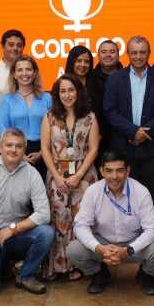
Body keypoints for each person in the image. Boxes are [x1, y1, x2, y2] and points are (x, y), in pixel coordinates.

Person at [0, 128, 55, 297]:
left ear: (24, 150)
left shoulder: (32, 174)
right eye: (9, 145)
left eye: (19, 146)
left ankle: (25, 275)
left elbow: (43, 214)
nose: (13, 150)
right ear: (0, 147)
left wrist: (12, 229)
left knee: (46, 233)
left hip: (16, 233)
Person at [66, 150, 154, 295]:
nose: (114, 176)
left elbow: (153, 229)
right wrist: (100, 248)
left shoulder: (141, 192)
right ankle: (99, 274)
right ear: (102, 171)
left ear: (127, 171)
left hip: (133, 243)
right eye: (109, 171)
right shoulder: (93, 191)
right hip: (103, 243)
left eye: (119, 170)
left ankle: (145, 275)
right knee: (73, 250)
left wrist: (127, 250)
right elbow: (81, 226)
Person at [103, 36, 154, 215]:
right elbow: (110, 110)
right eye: (134, 52)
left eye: (142, 52)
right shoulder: (115, 79)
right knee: (122, 196)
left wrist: (143, 134)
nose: (138, 56)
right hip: (123, 147)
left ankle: (151, 231)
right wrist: (134, 132)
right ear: (127, 54)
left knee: (153, 197)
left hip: (153, 147)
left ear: (149, 53)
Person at [39, 74, 100, 281]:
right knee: (58, 219)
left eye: (71, 90)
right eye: (62, 91)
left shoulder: (90, 117)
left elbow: (93, 149)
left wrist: (79, 175)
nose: (67, 95)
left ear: (78, 92)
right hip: (57, 174)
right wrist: (57, 177)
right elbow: (45, 149)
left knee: (81, 220)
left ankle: (79, 264)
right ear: (57, 94)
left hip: (84, 174)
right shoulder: (49, 117)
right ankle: (57, 266)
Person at [0, 55, 53, 179]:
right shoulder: (6, 100)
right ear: (14, 74)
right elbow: (3, 130)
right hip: (14, 151)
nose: (24, 73)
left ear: (35, 73)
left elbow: (54, 128)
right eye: (20, 70)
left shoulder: (47, 98)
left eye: (28, 69)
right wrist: (20, 154)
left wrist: (42, 152)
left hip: (44, 151)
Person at [90, 38, 123, 159]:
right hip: (96, 137)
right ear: (98, 55)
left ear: (118, 55)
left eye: (112, 52)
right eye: (104, 52)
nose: (108, 55)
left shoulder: (128, 76)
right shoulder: (90, 78)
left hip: (123, 135)